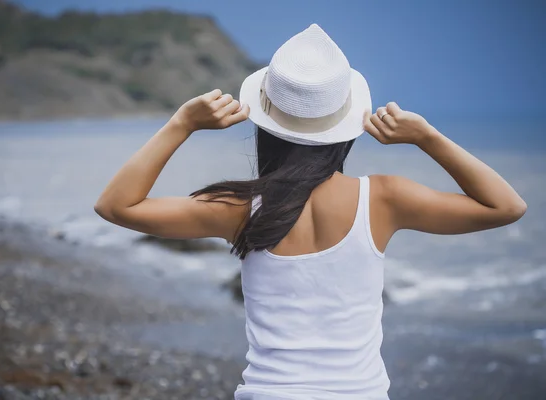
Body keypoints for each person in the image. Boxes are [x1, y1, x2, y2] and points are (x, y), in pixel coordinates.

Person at [94, 24, 526, 400]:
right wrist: (427, 137)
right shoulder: (384, 199)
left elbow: (115, 205)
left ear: (265, 124)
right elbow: (506, 206)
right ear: (345, 128)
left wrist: (181, 124)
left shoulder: (240, 209)